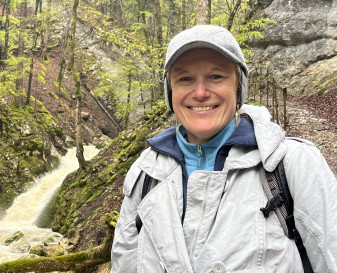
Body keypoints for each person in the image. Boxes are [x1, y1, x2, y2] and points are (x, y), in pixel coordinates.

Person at [110, 25, 337, 273]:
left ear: (238, 87)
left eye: (216, 76)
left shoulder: (293, 164)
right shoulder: (146, 173)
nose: (200, 92)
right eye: (185, 79)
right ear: (170, 91)